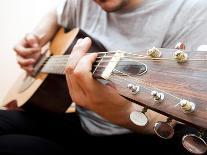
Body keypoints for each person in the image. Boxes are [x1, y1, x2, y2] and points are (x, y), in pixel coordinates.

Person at [0, 0, 207, 154]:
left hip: (130, 136)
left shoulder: (192, 12)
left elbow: (182, 116)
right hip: (81, 120)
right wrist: (37, 37)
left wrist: (122, 110)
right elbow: (56, 12)